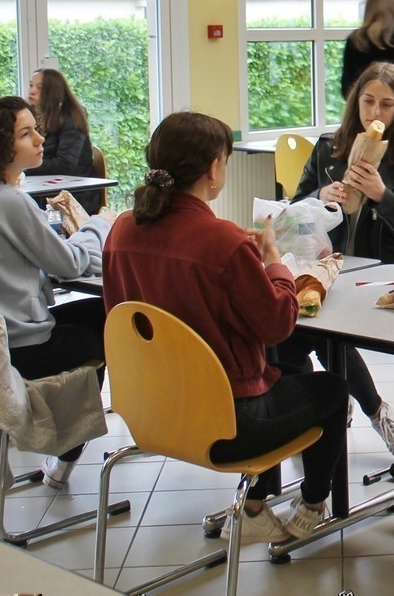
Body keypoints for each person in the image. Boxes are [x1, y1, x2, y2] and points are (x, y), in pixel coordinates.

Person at [103, 112, 346, 544]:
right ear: (214, 167)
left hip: (151, 410)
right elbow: (277, 325)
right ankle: (312, 506)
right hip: (228, 423)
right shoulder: (222, 243)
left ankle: (255, 506)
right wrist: (274, 261)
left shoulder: (122, 230)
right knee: (330, 390)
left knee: (291, 377)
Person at [0, 96, 113, 490]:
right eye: (26, 133)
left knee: (95, 311)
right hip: (22, 347)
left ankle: (64, 450)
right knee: (107, 326)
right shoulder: (10, 201)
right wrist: (97, 226)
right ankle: (66, 450)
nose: (40, 138)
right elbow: (69, 265)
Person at [289, 61, 394, 458]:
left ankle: (363, 410)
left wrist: (381, 195)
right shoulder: (327, 148)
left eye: (386, 105)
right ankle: (343, 410)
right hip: (329, 267)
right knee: (303, 331)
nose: (375, 113)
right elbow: (293, 209)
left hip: (384, 273)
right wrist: (320, 198)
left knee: (323, 334)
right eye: (368, 101)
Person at [25, 68, 101, 214]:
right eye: (31, 85)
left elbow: (65, 165)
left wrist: (24, 167)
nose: (32, 91)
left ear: (53, 92)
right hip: (47, 190)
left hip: (75, 196)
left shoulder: (71, 119)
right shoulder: (34, 118)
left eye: (39, 87)